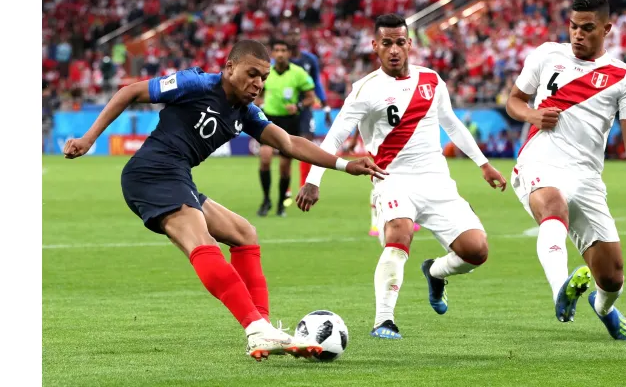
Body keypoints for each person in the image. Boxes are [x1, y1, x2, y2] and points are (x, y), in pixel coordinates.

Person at [62, 40, 386, 361]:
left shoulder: (246, 113)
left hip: (177, 177)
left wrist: (345, 164)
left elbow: (289, 142)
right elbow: (129, 92)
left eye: (264, 78)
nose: (258, 83)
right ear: (230, 68)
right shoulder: (195, 83)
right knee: (201, 240)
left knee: (244, 233)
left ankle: (261, 330)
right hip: (152, 173)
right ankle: (256, 328)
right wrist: (89, 138)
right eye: (252, 73)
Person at [295, 14, 507, 339]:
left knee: (476, 251)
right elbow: (334, 138)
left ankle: (434, 273)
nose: (394, 50)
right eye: (387, 43)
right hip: (391, 178)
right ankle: (384, 320)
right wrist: (314, 179)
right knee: (400, 233)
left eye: (399, 42)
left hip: (436, 181)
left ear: (409, 44)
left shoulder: (432, 80)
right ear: (375, 46)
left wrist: (483, 163)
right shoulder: (365, 90)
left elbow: (451, 124)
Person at [505, 0, 626, 341]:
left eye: (587, 28)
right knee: (552, 207)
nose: (577, 34)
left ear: (606, 28)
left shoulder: (623, 78)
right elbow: (514, 101)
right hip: (540, 160)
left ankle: (604, 307)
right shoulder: (547, 54)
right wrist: (534, 115)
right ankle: (560, 291)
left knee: (612, 277)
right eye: (572, 26)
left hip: (586, 176)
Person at [255, 39, 317, 217]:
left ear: (289, 53)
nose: (280, 54)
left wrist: (298, 106)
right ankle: (266, 200)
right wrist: (258, 102)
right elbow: (258, 94)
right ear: (272, 53)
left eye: (284, 50)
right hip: (269, 120)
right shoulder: (265, 72)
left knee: (284, 167)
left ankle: (281, 204)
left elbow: (310, 97)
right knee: (265, 159)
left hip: (290, 122)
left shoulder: (298, 73)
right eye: (277, 50)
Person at [345, 129, 422, 237]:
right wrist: (354, 139)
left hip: (400, 141)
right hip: (382, 144)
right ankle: (376, 224)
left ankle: (410, 216)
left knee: (405, 177)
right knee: (383, 178)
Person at [286, 27, 334, 191]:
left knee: (306, 144)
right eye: (290, 34)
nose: (293, 38)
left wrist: (326, 107)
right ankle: (285, 187)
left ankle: (303, 185)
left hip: (305, 108)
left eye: (296, 34)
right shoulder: (280, 62)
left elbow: (317, 84)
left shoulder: (310, 60)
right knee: (285, 147)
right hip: (285, 110)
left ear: (300, 37)